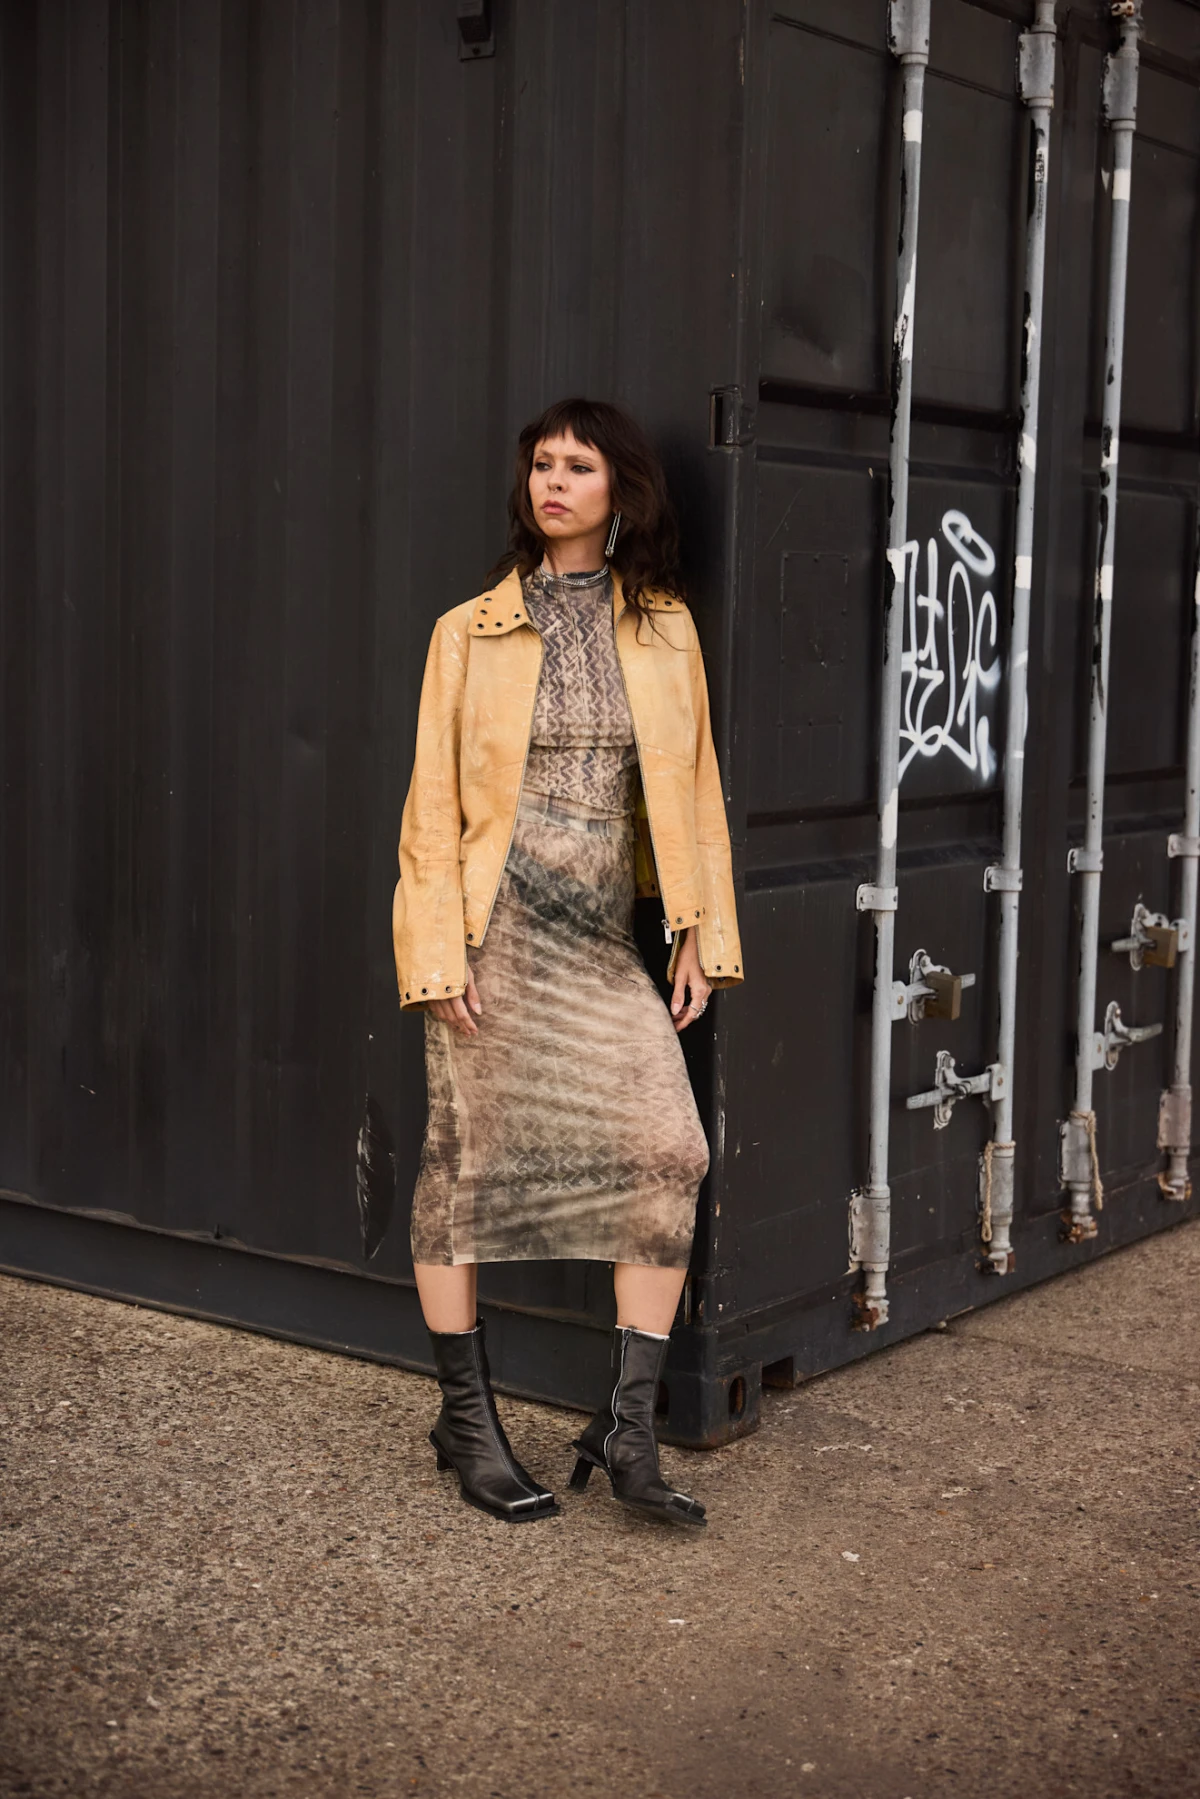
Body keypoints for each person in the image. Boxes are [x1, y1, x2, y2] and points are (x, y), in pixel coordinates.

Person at [392, 397, 743, 1528]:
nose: (554, 482)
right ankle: (466, 1422)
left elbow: (694, 791)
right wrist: (438, 955)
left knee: (669, 1148)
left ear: (619, 490)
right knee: (463, 1172)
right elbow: (429, 812)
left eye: (579, 466)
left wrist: (699, 931)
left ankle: (626, 1429)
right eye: (542, 464)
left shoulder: (665, 629)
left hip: (596, 941)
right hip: (491, 939)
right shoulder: (470, 631)